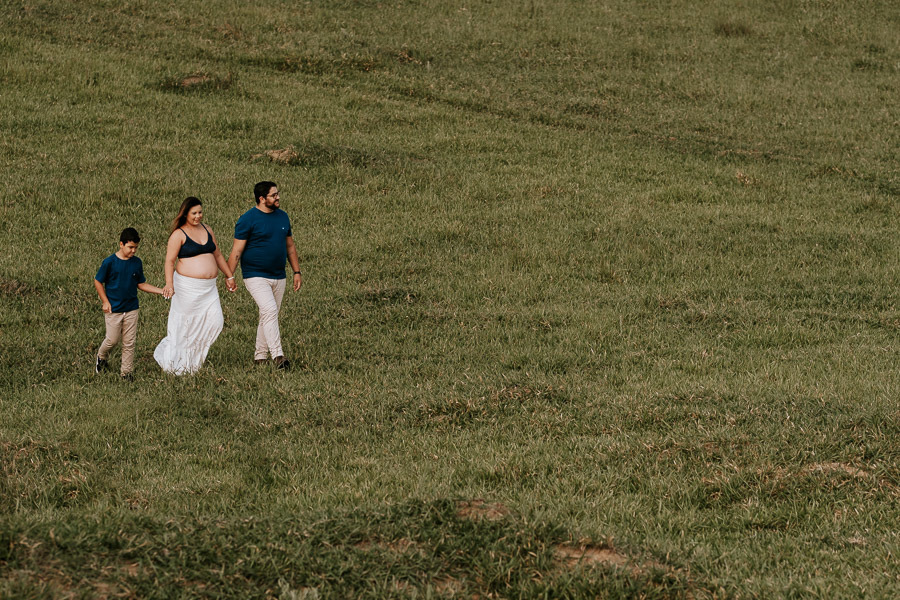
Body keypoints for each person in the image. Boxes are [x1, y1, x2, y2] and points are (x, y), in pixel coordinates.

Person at [154, 197, 237, 375]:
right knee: (186, 325)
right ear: (185, 214)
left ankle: (194, 358)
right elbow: (169, 261)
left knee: (216, 321)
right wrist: (169, 284)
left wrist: (229, 275)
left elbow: (218, 254)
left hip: (209, 288)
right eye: (194, 213)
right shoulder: (179, 234)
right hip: (187, 287)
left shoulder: (207, 229)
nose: (198, 216)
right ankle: (176, 361)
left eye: (200, 212)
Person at [227, 181, 302, 370]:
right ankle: (278, 356)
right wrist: (230, 275)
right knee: (269, 310)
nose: (278, 197)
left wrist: (296, 271)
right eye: (273, 195)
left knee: (268, 314)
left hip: (279, 275)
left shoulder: (283, 217)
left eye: (277, 194)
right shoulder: (247, 219)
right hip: (255, 275)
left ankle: (260, 356)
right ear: (262, 199)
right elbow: (237, 251)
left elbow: (290, 246)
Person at [94, 227, 165, 381]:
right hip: (114, 309)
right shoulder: (109, 262)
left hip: (132, 309)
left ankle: (126, 373)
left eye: (136, 248)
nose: (133, 251)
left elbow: (141, 284)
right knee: (112, 339)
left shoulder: (136, 263)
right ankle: (101, 356)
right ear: (121, 244)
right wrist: (105, 301)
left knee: (129, 342)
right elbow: (98, 280)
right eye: (130, 247)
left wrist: (161, 291)